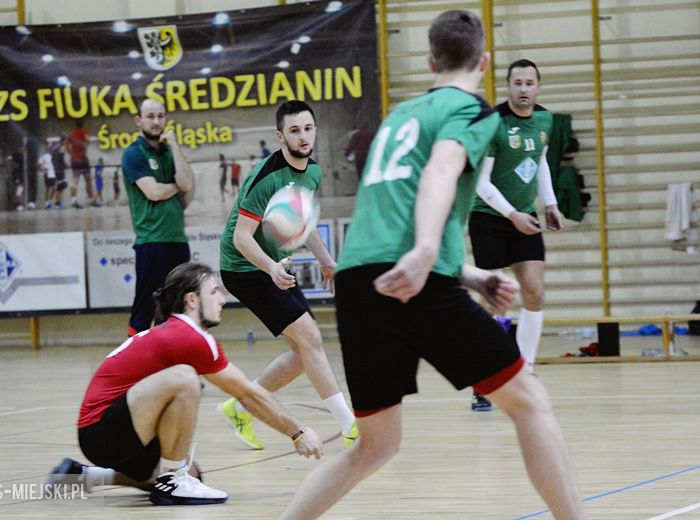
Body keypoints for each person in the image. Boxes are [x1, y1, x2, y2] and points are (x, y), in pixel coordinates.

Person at [279, 11, 585, 520]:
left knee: (375, 445)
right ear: (485, 63)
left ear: (429, 62)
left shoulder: (400, 116)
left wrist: (465, 272)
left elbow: (389, 213)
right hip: (413, 278)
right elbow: (441, 173)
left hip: (359, 280)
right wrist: (425, 254)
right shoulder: (475, 111)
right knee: (530, 402)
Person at [47, 262, 324, 506]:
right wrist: (297, 432)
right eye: (214, 292)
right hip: (101, 431)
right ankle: (172, 479)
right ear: (191, 300)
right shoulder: (188, 335)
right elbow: (246, 393)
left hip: (125, 433)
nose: (222, 299)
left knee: (194, 476)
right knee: (185, 379)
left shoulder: (177, 332)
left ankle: (84, 476)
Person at [218, 100, 358, 450]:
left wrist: (327, 261)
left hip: (273, 266)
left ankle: (241, 406)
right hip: (244, 267)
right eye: (294, 130)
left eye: (308, 128)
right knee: (310, 338)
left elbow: (302, 222)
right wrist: (271, 268)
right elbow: (241, 237)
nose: (303, 136)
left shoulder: (312, 172)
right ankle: (350, 425)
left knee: (304, 353)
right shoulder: (266, 180)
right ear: (281, 136)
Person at [468, 58, 565, 412]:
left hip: (524, 218)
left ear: (538, 88)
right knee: (496, 300)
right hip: (490, 218)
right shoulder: (493, 124)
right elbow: (479, 182)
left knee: (535, 290)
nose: (524, 89)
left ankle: (525, 371)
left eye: (530, 83)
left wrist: (550, 203)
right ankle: (486, 380)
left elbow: (538, 161)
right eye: (517, 83)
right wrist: (512, 216)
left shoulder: (544, 119)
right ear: (507, 87)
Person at [122, 98, 195, 337]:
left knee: (178, 310)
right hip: (151, 242)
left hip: (177, 241)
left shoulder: (168, 152)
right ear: (138, 120)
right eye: (150, 116)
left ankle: (175, 366)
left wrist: (175, 147)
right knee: (145, 309)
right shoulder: (133, 154)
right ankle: (132, 367)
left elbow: (187, 184)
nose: (156, 121)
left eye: (161, 116)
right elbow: (153, 192)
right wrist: (176, 185)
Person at [68, 119, 94, 208]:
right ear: (83, 125)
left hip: (74, 161)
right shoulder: (83, 132)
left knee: (75, 180)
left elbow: (66, 146)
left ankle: (73, 201)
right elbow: (88, 140)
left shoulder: (72, 134)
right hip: (83, 160)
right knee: (88, 180)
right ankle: (91, 200)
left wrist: (71, 154)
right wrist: (84, 149)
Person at [37, 141, 56, 209]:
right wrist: (44, 170)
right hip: (47, 174)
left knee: (53, 189)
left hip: (53, 174)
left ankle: (49, 202)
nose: (53, 150)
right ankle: (46, 203)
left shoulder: (55, 157)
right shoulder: (44, 156)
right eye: (52, 149)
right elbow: (39, 165)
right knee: (48, 188)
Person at [51, 137, 68, 209]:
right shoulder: (62, 147)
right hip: (60, 169)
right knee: (62, 185)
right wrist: (65, 166)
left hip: (55, 168)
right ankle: (58, 203)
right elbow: (61, 158)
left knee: (59, 186)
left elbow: (52, 158)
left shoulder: (55, 147)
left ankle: (57, 202)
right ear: (64, 141)